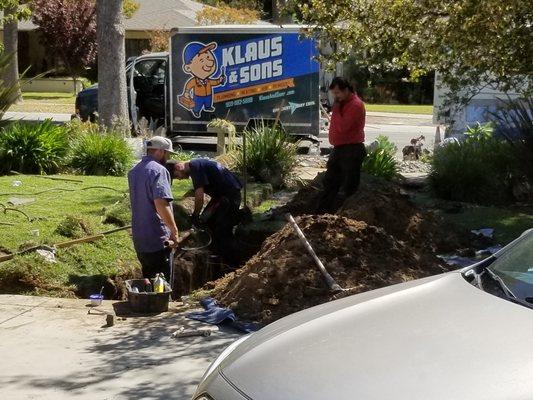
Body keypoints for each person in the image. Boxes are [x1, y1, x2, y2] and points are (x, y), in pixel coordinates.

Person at [166, 158, 242, 266]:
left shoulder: (195, 168)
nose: (180, 179)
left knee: (222, 229)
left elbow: (200, 197)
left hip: (228, 197)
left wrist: (195, 215)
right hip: (223, 196)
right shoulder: (197, 165)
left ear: (178, 167)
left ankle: (232, 263)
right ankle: (217, 255)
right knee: (207, 222)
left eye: (177, 176)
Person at [128, 136, 179, 280]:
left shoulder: (134, 171)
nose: (168, 157)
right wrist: (174, 231)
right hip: (157, 239)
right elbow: (161, 204)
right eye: (167, 154)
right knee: (162, 286)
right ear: (161, 152)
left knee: (148, 282)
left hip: (140, 239)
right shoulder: (159, 171)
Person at [317, 77, 366, 214]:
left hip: (351, 149)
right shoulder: (341, 103)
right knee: (330, 181)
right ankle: (323, 212)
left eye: (337, 93)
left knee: (348, 186)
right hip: (339, 148)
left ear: (346, 90)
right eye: (334, 94)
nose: (336, 97)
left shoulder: (356, 105)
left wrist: (335, 114)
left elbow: (344, 127)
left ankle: (346, 213)